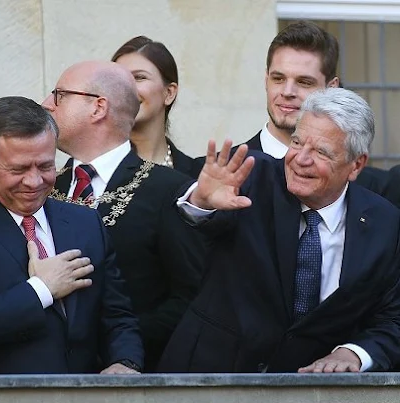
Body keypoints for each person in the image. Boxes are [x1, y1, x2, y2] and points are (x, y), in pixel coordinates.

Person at [158, 88, 400, 373]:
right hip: (209, 375)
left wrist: (353, 354)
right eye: (297, 142)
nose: (301, 159)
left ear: (356, 164)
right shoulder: (253, 178)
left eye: (321, 151)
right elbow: (194, 226)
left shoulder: (384, 223)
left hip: (308, 398)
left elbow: (392, 317)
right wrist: (201, 201)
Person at [0, 96, 143, 374]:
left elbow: (117, 315)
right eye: (18, 169)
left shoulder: (84, 222)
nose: (33, 181)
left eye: (44, 166)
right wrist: (42, 289)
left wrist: (125, 362)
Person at [43, 61, 207, 371]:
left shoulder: (168, 189)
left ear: (98, 107)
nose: (45, 105)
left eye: (59, 95)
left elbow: (190, 297)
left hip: (134, 378)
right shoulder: (44, 185)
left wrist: (120, 344)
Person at [191, 20, 387, 193]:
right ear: (266, 79)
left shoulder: (372, 186)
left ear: (331, 88)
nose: (287, 91)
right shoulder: (208, 175)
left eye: (304, 82)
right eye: (278, 78)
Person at [111, 36, 197, 177]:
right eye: (117, 79)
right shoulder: (89, 170)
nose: (125, 88)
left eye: (139, 77)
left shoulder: (194, 176)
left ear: (169, 93)